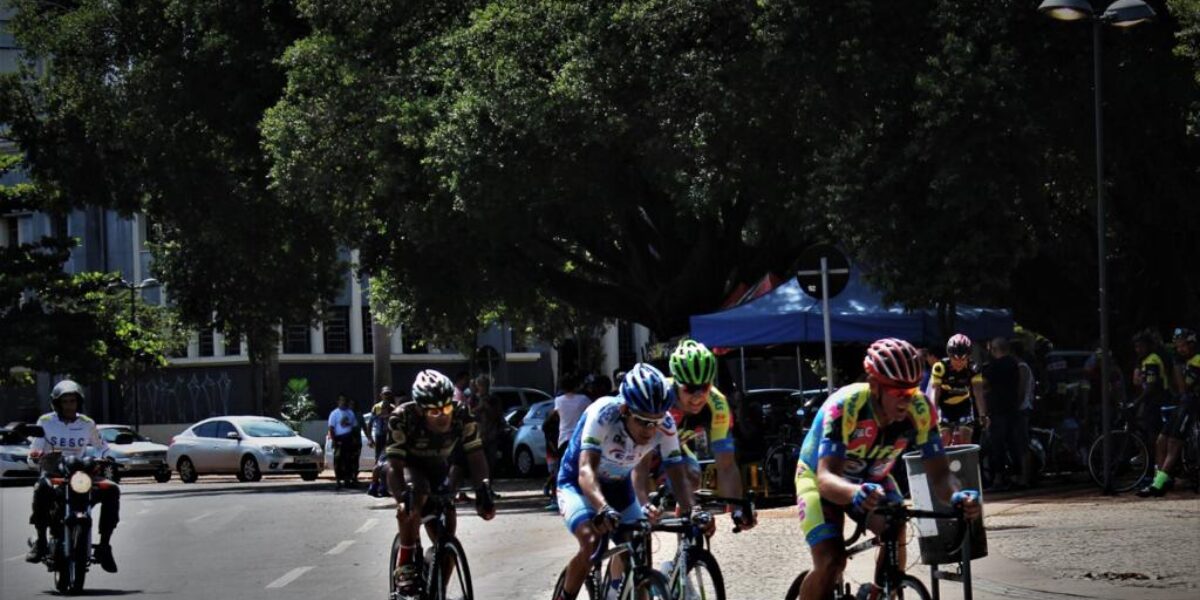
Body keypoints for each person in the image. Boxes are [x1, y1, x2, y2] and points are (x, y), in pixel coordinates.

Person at [795, 338, 981, 600]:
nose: (907, 401)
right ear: (875, 386)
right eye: (898, 393)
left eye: (911, 391)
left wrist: (956, 495)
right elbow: (826, 478)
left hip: (873, 478)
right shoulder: (846, 406)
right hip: (820, 478)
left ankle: (883, 592)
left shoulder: (920, 408)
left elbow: (940, 474)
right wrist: (853, 492)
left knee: (896, 523)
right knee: (831, 562)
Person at [553, 364, 710, 600]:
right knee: (592, 542)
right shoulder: (604, 413)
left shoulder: (664, 424)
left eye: (655, 422)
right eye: (642, 421)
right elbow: (586, 470)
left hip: (618, 487)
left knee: (639, 545)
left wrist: (694, 509)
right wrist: (603, 508)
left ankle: (621, 591)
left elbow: (678, 474)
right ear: (625, 409)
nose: (650, 430)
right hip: (577, 483)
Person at [387, 370, 495, 595]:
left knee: (447, 535)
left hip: (437, 468)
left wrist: (483, 489)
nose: (443, 416)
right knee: (417, 494)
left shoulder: (462, 414)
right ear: (419, 409)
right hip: (407, 467)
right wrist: (403, 501)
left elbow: (475, 456)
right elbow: (394, 467)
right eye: (434, 411)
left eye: (446, 408)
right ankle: (406, 561)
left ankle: (437, 591)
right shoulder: (402, 417)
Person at [26, 380, 121, 573]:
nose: (69, 405)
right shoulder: (45, 421)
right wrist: (35, 457)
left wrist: (108, 457)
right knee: (41, 487)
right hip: (54, 473)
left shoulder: (87, 423)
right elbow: (34, 450)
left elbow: (102, 447)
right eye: (65, 401)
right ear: (57, 404)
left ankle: (104, 546)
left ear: (79, 403)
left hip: (80, 473)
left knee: (111, 489)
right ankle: (42, 542)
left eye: (73, 401)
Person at [660, 339, 755, 529]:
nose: (697, 397)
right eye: (689, 389)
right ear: (676, 384)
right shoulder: (660, 397)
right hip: (643, 453)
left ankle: (685, 549)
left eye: (703, 388)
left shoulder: (718, 404)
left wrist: (736, 508)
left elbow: (726, 466)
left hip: (676, 450)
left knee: (692, 476)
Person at [1138, 327, 1199, 497]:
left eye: (1183, 346)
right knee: (1160, 440)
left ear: (1192, 344)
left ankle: (1157, 485)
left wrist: (1177, 365)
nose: (1180, 350)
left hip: (1193, 405)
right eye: (1178, 347)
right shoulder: (1186, 361)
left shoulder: (1197, 361)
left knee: (1173, 443)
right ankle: (1163, 479)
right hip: (1183, 404)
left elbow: (1183, 388)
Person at [981, 338, 1023, 491]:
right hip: (1012, 408)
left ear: (993, 349)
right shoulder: (1013, 363)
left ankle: (998, 479)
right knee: (1013, 443)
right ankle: (1017, 477)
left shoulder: (992, 366)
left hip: (997, 410)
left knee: (997, 445)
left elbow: (983, 385)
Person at [929, 334, 985, 447]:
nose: (959, 362)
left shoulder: (973, 368)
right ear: (949, 355)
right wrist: (931, 415)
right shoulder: (940, 367)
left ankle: (967, 463)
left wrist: (983, 415)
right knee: (944, 438)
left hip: (964, 406)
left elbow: (978, 393)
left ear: (968, 356)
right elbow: (935, 393)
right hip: (944, 407)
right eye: (955, 358)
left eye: (963, 359)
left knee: (965, 438)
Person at [367, 387, 398, 497]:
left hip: (389, 437)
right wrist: (370, 438)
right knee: (379, 462)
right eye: (385, 394)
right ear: (381, 395)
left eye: (388, 394)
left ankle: (383, 486)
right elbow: (370, 423)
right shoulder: (376, 407)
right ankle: (376, 485)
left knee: (388, 462)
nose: (387, 397)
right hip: (380, 436)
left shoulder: (394, 408)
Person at [328, 394, 362, 489]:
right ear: (338, 402)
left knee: (349, 461)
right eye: (341, 400)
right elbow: (331, 428)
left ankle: (347, 480)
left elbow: (354, 426)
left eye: (345, 400)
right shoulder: (334, 413)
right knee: (338, 460)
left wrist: (355, 439)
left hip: (348, 438)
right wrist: (334, 440)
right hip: (339, 439)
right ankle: (338, 481)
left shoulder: (350, 412)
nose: (343, 402)